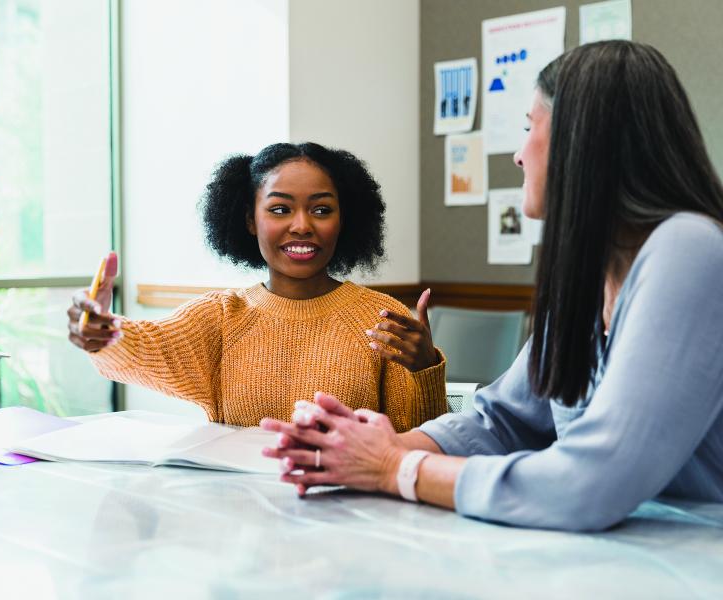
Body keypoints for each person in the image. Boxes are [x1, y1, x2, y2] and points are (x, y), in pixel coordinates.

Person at [261, 41, 723, 532]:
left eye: (529, 128)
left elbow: (591, 484)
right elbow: (504, 419)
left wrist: (394, 468)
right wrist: (368, 445)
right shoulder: (586, 274)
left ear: (579, 141)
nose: (519, 155)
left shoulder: (691, 248)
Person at [67, 142, 447, 430]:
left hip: (349, 517)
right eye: (280, 209)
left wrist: (425, 369)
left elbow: (421, 443)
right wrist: (103, 333)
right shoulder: (221, 317)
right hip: (237, 520)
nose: (302, 225)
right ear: (250, 220)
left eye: (321, 209)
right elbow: (146, 346)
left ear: (344, 221)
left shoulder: (383, 319)